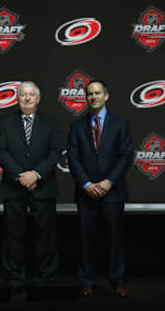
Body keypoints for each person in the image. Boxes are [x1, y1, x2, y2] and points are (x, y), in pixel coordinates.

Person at [0, 81, 62, 293]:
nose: (27, 98)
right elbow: (1, 152)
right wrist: (21, 176)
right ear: (17, 98)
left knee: (46, 237)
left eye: (31, 94)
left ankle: (46, 278)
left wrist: (36, 175)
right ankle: (14, 279)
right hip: (14, 188)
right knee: (13, 237)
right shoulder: (5, 122)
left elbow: (55, 152)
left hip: (43, 187)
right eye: (23, 94)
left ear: (38, 98)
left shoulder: (51, 122)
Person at [67, 80, 133, 298]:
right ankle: (86, 281)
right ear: (86, 98)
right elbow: (73, 159)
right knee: (86, 240)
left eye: (97, 93)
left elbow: (125, 156)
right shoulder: (76, 127)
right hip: (86, 194)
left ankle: (118, 281)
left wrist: (108, 182)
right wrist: (86, 184)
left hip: (112, 192)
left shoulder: (120, 124)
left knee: (115, 239)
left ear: (106, 96)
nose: (93, 97)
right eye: (89, 94)